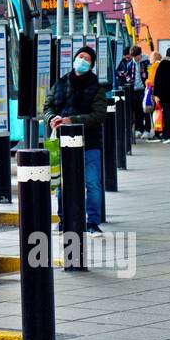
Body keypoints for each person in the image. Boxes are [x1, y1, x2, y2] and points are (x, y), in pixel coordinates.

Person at [42, 45, 106, 232]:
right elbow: (47, 107)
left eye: (87, 59)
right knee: (62, 183)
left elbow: (98, 116)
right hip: (64, 142)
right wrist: (51, 119)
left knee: (92, 182)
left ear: (92, 65)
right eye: (80, 57)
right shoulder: (61, 83)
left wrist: (73, 120)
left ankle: (92, 222)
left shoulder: (97, 88)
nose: (82, 61)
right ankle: (64, 219)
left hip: (89, 143)